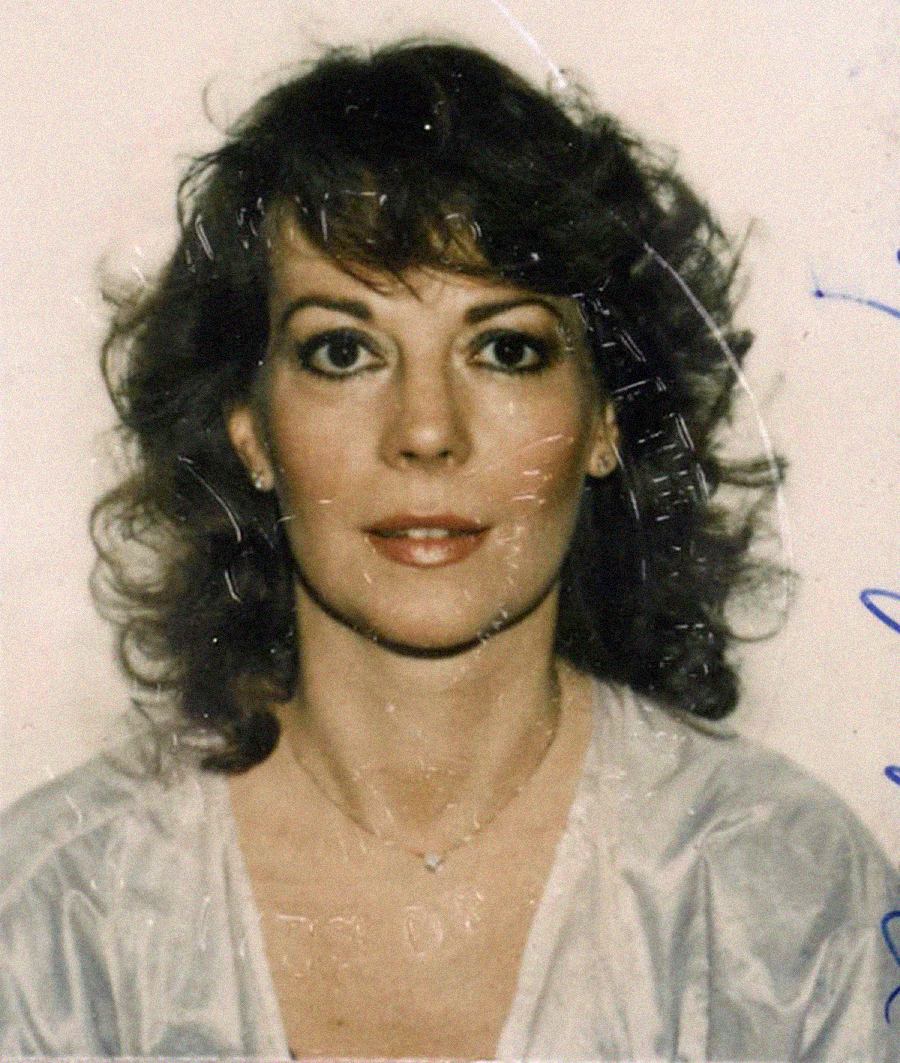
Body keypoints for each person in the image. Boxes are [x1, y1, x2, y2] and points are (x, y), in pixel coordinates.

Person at [1, 40, 897, 1060]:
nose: (427, 430)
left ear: (606, 417)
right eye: (344, 350)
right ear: (247, 428)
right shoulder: (61, 922)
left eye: (505, 349)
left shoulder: (789, 901)